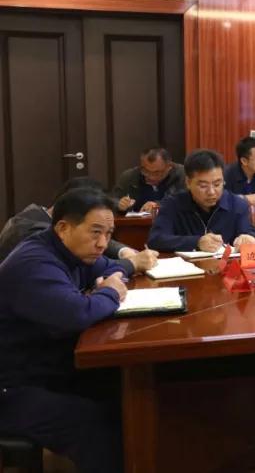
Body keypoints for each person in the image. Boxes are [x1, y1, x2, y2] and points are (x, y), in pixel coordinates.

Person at [0, 187, 128, 473]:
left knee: (125, 389)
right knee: (92, 423)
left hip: (45, 367)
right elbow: (76, 314)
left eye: (108, 234)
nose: (102, 243)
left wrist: (110, 282)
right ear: (63, 228)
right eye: (95, 232)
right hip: (12, 387)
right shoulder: (34, 262)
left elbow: (115, 267)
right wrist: (109, 293)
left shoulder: (74, 252)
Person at [0, 178, 158, 275]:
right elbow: (84, 270)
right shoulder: (34, 233)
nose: (102, 243)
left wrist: (123, 251)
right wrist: (133, 264)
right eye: (95, 230)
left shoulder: (39, 215)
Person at [148, 150, 255, 252]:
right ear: (188, 182)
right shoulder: (172, 204)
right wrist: (197, 242)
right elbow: (156, 239)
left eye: (217, 184)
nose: (212, 192)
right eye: (203, 186)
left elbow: (252, 234)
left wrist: (251, 239)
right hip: (186, 268)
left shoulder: (237, 204)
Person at [112, 147, 186, 213]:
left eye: (157, 173)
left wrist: (159, 205)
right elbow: (111, 202)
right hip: (137, 222)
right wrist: (119, 204)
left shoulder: (184, 175)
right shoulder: (129, 177)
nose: (151, 177)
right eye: (146, 171)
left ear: (169, 167)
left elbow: (187, 202)